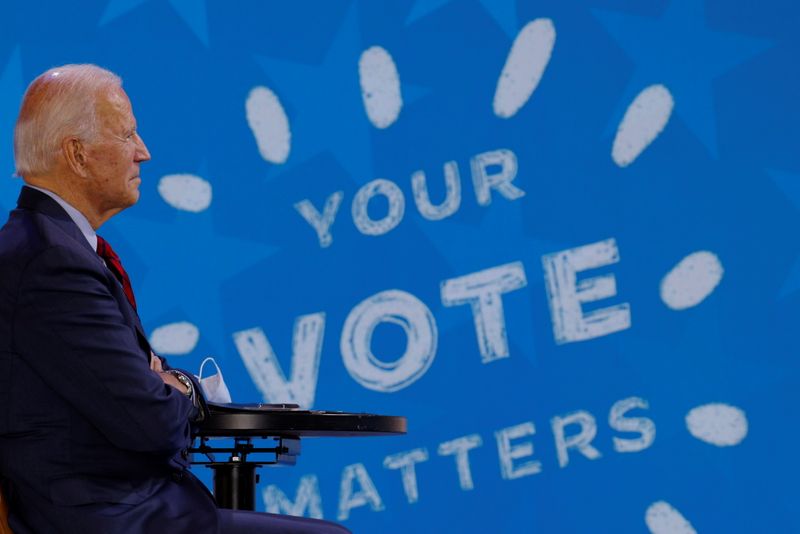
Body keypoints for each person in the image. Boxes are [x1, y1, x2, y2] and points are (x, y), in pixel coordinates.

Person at [0, 64, 349, 534]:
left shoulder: (44, 245)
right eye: (127, 135)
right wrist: (186, 387)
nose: (144, 152)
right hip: (110, 518)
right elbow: (150, 423)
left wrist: (162, 386)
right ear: (77, 155)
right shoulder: (51, 262)